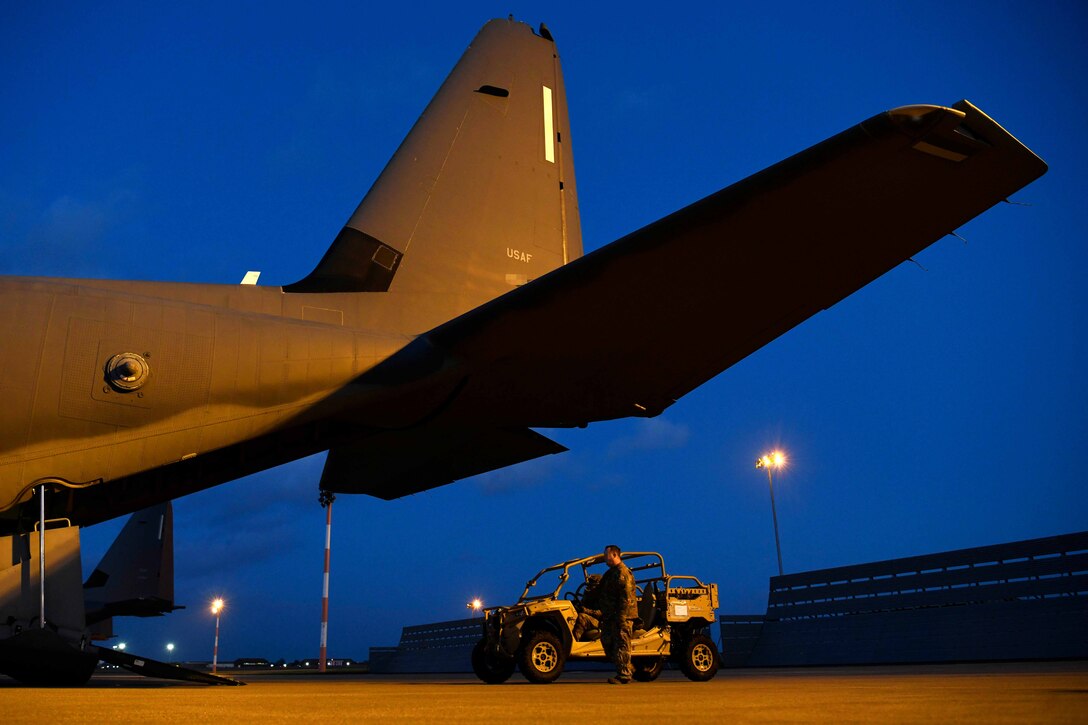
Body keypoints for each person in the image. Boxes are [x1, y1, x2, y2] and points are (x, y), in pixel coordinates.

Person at [597, 544, 637, 684]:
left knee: (622, 644)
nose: (604, 557)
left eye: (606, 554)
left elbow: (626, 597)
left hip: (622, 617)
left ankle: (624, 675)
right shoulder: (610, 574)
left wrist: (622, 617)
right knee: (607, 641)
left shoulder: (623, 573)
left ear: (614, 555)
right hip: (610, 616)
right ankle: (627, 667)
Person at [573, 574, 602, 641]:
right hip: (591, 620)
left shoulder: (603, 596)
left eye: (592, 584)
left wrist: (585, 610)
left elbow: (602, 613)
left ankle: (576, 642)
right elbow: (583, 603)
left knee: (582, 617)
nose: (589, 586)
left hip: (600, 623)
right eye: (589, 583)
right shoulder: (589, 595)